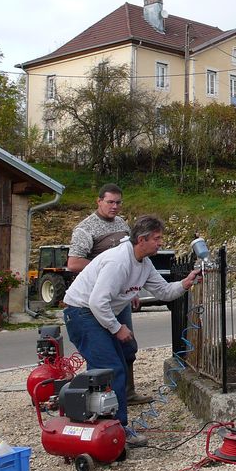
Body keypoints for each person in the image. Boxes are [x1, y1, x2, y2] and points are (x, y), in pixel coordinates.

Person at [62, 215, 201, 436]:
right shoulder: (119, 261)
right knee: (111, 369)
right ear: (142, 240)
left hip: (95, 313)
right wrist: (117, 328)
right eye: (157, 238)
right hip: (81, 313)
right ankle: (116, 430)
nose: (161, 243)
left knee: (116, 365)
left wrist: (186, 283)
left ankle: (99, 424)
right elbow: (97, 302)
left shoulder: (144, 264)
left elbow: (164, 292)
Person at [67, 184, 151, 404]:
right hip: (96, 298)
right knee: (102, 353)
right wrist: (107, 271)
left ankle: (127, 393)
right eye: (110, 202)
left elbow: (132, 259)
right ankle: (99, 401)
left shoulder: (123, 224)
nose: (114, 206)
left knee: (127, 345)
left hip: (118, 298)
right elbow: (74, 263)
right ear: (99, 201)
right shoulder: (85, 229)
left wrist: (129, 287)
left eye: (118, 202)